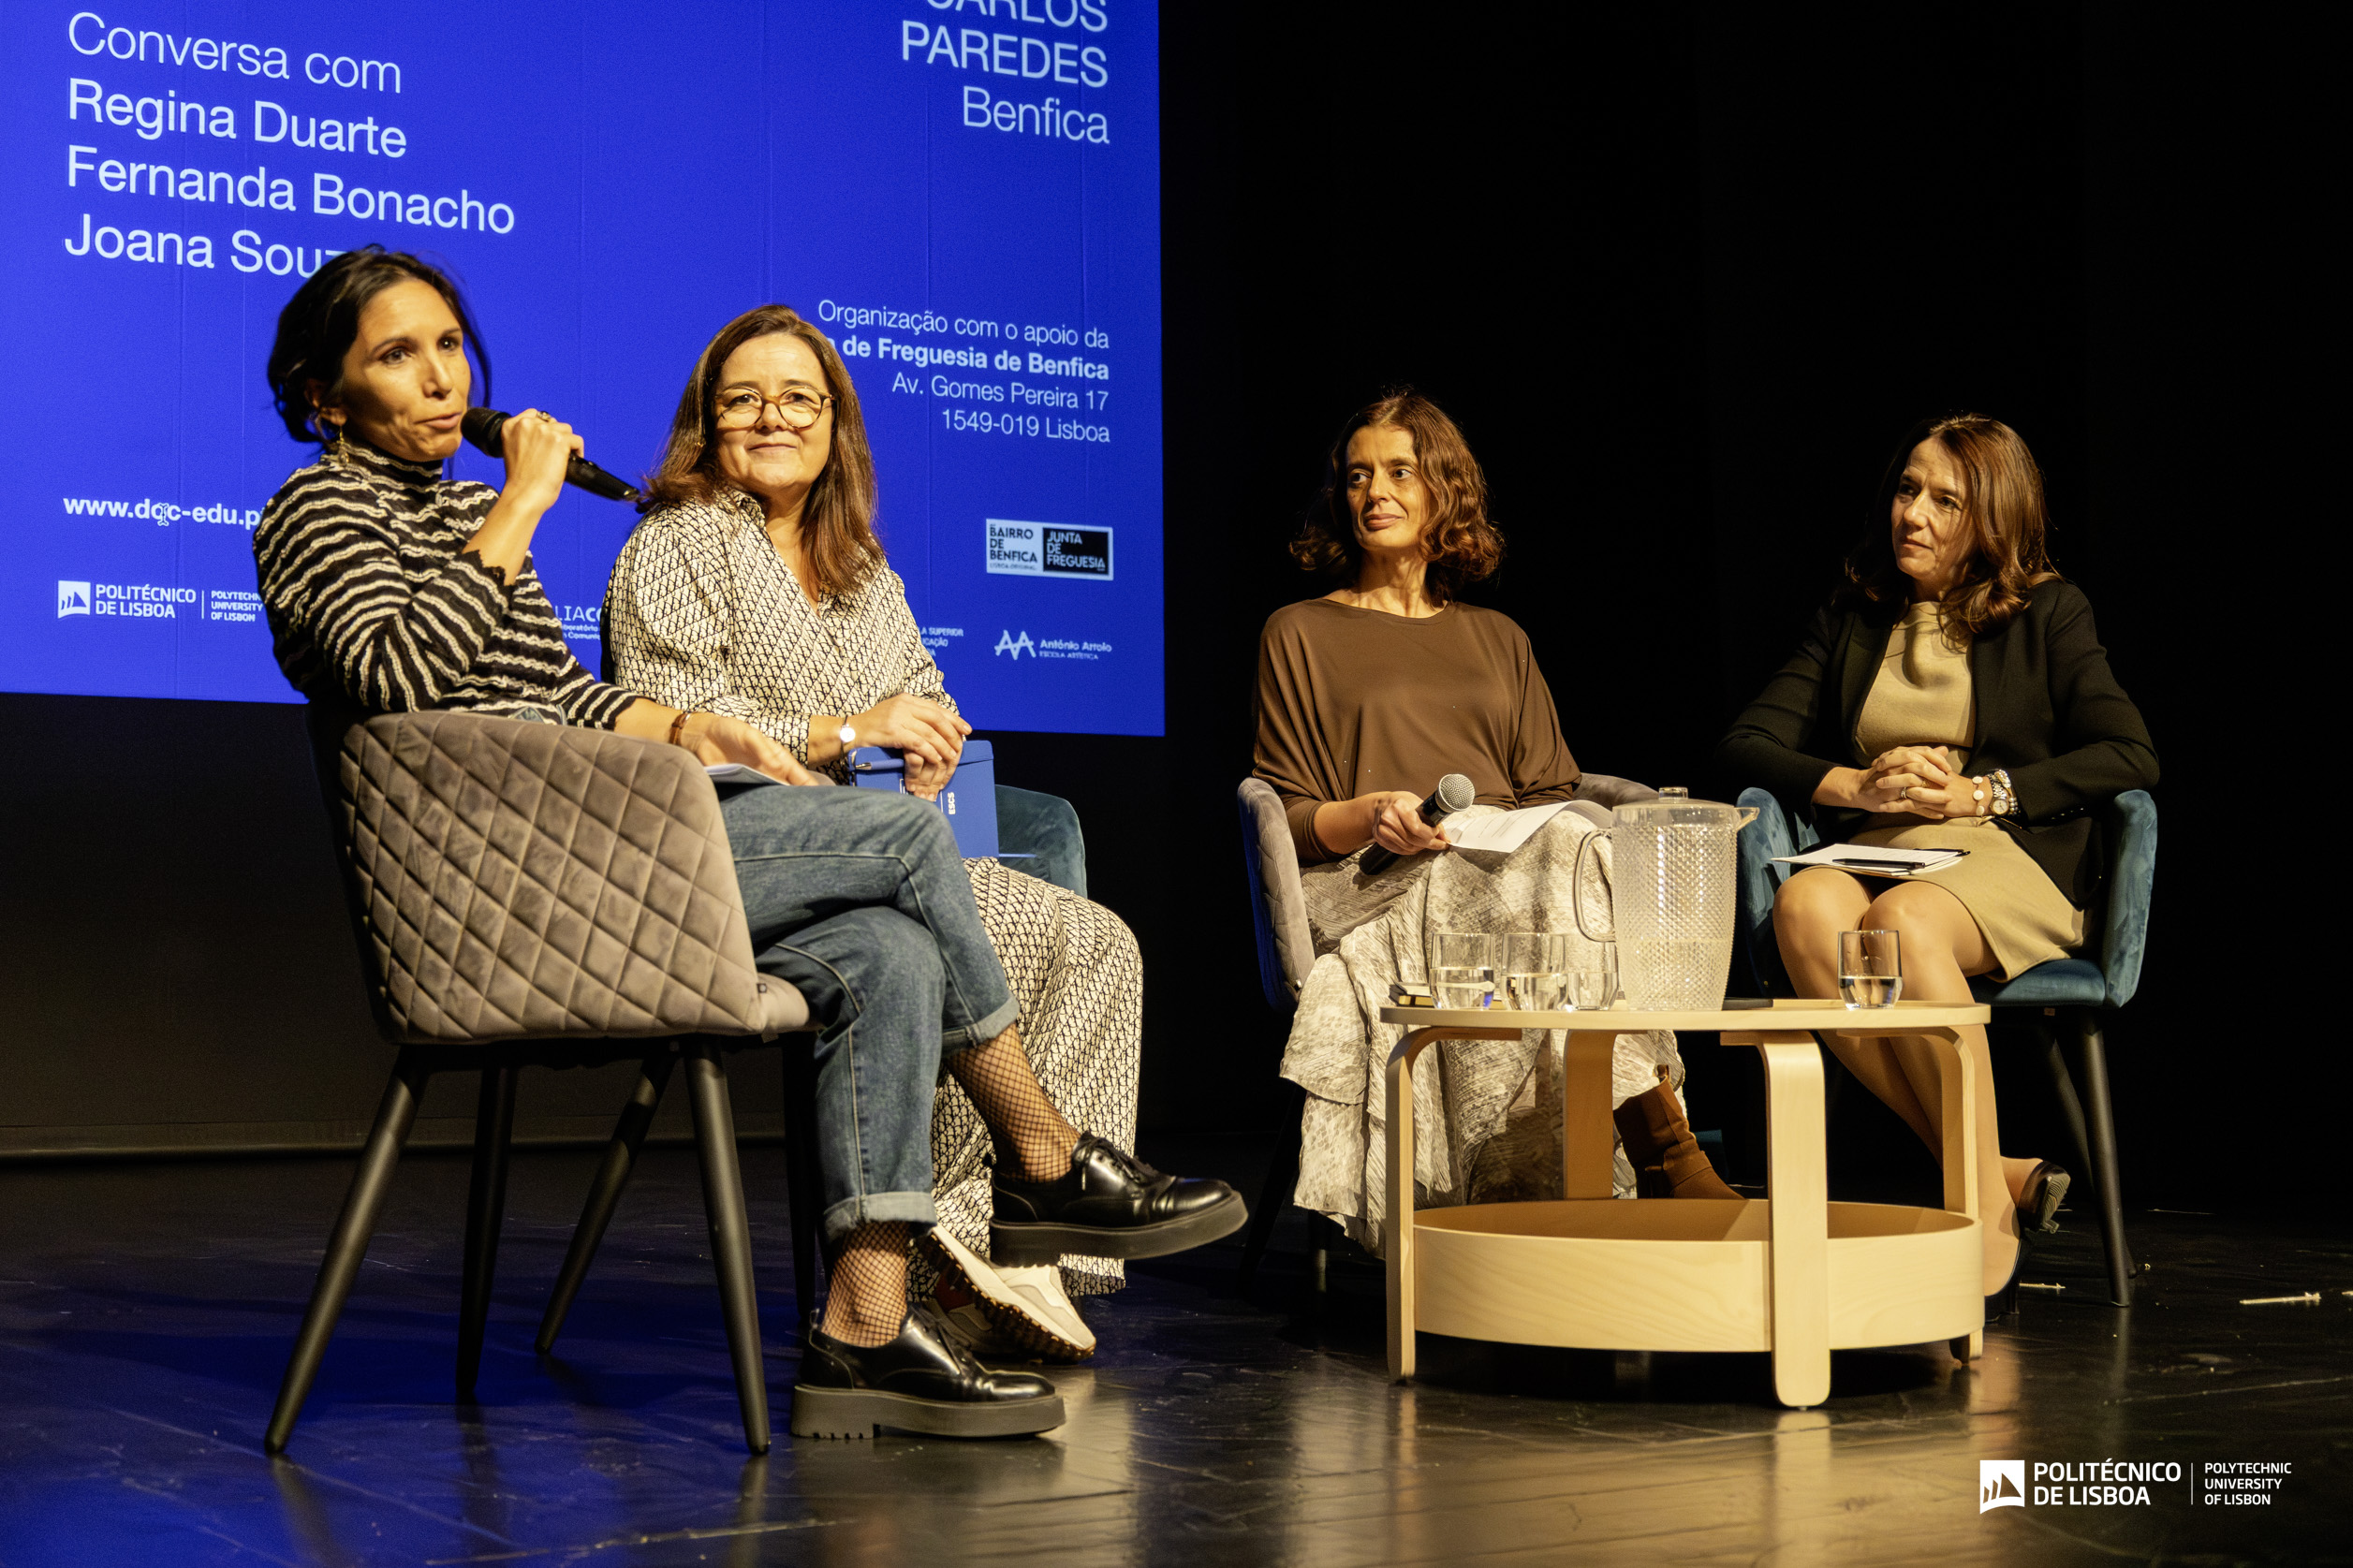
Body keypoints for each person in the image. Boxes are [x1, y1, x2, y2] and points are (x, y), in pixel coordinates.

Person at [251, 248, 1242, 1440]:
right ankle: (1040, 1153)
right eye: (395, 355)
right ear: (323, 395)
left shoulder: (468, 515)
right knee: (905, 847)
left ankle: (863, 1328)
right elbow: (393, 679)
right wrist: (521, 504)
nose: (439, 378)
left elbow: (560, 701)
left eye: (449, 345)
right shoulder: (313, 513)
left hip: (592, 852)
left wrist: (686, 724)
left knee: (889, 953)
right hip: (499, 897)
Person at [600, 304, 1151, 1362]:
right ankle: (964, 1223)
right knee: (997, 930)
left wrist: (932, 736)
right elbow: (677, 732)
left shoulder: (862, 571)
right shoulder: (677, 542)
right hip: (734, 857)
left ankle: (1018, 1249)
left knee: (1094, 939)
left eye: (797, 398)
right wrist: (848, 730)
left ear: (833, 423)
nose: (771, 417)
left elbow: (924, 693)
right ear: (706, 424)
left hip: (883, 853)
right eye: (742, 399)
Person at [1254, 390, 1734, 1256]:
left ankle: (1640, 1149)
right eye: (1358, 475)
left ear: (1443, 490)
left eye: (1399, 471)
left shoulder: (1498, 637)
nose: (1374, 492)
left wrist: (1524, 837)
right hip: (1378, 885)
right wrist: (1370, 812)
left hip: (1514, 874)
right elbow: (1281, 814)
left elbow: (1554, 790)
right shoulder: (1300, 631)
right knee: (1562, 855)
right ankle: (1663, 1145)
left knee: (1572, 840)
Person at [1715, 412, 2157, 1307]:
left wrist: (1981, 793)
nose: (1910, 512)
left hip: (2001, 857)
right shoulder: (1853, 614)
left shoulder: (2049, 613)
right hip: (1879, 848)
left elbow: (2128, 754)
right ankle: (1990, 1170)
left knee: (1896, 927)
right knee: (1804, 909)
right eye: (1906, 488)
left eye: (1942, 499)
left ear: (1989, 519)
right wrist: (1856, 784)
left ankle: (1982, 1227)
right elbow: (1747, 740)